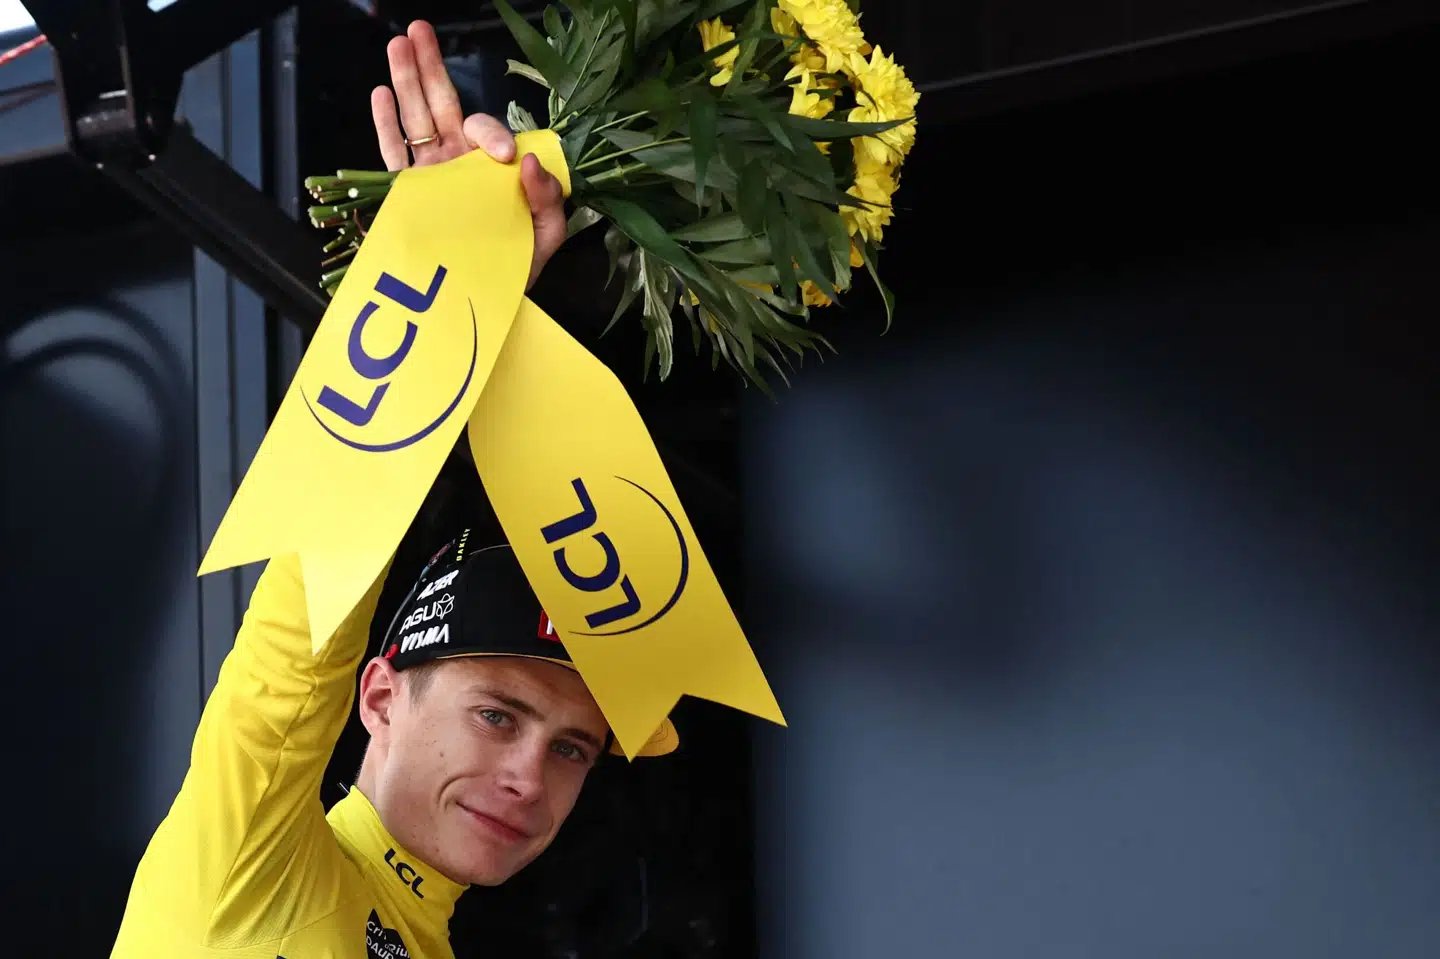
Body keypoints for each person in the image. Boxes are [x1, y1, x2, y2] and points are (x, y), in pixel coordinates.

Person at [108, 20, 676, 959]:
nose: (530, 778)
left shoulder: (425, 938)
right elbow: (299, 638)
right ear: (377, 696)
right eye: (498, 714)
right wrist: (446, 266)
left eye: (572, 748)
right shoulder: (252, 867)